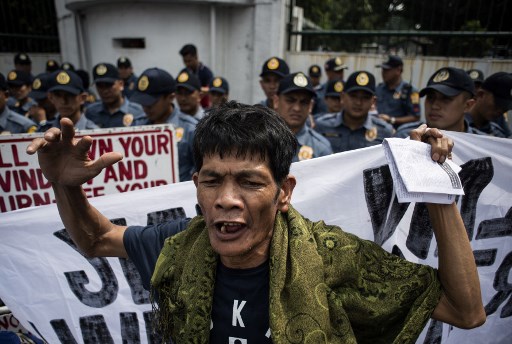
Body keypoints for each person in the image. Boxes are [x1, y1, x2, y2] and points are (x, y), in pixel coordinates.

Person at [27, 101, 485, 343]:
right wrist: (66, 185)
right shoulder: (179, 246)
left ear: (284, 192)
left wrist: (436, 188)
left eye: (249, 182)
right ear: (196, 186)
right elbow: (96, 238)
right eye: (212, 181)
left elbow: (466, 312)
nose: (226, 200)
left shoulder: (332, 260)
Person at [130, 68, 197, 181]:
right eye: (143, 102)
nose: (146, 108)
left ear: (171, 97)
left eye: (151, 102)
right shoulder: (136, 125)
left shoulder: (190, 129)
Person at [315, 71, 394, 153]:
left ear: (373, 102)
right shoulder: (322, 125)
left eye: (365, 98)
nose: (358, 103)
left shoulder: (384, 132)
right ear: (342, 97)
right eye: (353, 96)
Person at [395, 67, 481, 138]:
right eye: (430, 97)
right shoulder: (405, 136)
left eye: (446, 98)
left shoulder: (480, 144)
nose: (435, 106)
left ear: (467, 106)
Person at [273, 72, 332, 161]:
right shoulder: (259, 141)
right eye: (290, 100)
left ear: (311, 106)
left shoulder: (321, 149)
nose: (297, 108)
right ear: (276, 101)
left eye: (304, 102)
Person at [85, 63, 145, 128]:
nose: (105, 91)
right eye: (100, 86)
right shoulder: (91, 112)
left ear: (121, 84)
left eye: (109, 85)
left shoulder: (138, 112)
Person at [375, 55, 421, 128]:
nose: (383, 73)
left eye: (387, 70)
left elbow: (416, 117)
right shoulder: (379, 88)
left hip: (398, 134)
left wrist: (391, 120)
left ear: (398, 70)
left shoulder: (412, 91)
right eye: (383, 70)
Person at [466, 72, 512, 138]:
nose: (501, 110)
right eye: (498, 104)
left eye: (506, 107)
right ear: (481, 94)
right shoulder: (455, 123)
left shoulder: (498, 134)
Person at [179, 44, 214, 108]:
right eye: (185, 61)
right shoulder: (183, 72)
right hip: (187, 107)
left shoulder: (206, 72)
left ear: (196, 57)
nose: (187, 64)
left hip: (204, 108)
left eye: (189, 61)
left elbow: (211, 89)